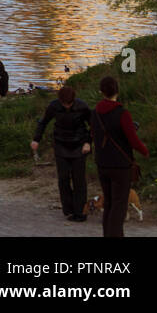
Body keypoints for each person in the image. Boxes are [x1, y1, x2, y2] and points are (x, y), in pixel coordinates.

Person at [90, 75, 148, 238]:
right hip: (120, 166)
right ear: (117, 91)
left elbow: (94, 134)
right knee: (119, 206)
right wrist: (145, 151)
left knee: (108, 203)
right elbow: (133, 140)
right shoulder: (122, 113)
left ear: (101, 92)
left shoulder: (95, 113)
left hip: (102, 164)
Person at [31, 85, 92, 220]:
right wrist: (36, 139)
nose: (67, 106)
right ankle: (68, 209)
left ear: (73, 101)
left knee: (79, 180)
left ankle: (80, 211)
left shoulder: (82, 106)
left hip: (79, 145)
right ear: (60, 101)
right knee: (63, 179)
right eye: (64, 104)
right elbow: (43, 122)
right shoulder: (53, 106)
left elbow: (93, 125)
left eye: (69, 104)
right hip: (61, 144)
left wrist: (88, 142)